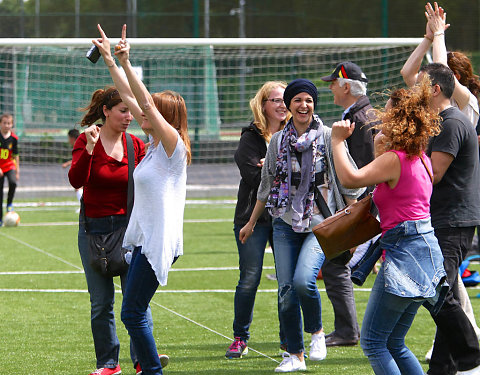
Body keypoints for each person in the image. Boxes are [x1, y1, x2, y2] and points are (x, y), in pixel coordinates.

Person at [240, 78, 364, 373]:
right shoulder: (278, 141)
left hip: (320, 223)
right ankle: (294, 355)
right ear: (289, 105)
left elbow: (348, 182)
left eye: (308, 100)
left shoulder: (327, 136)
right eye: (297, 100)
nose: (303, 105)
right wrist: (251, 221)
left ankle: (317, 331)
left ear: (314, 104)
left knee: (303, 280)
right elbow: (267, 186)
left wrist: (353, 225)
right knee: (285, 291)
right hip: (283, 223)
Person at [331, 77, 447, 375]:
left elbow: (351, 180)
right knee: (394, 341)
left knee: (373, 342)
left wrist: (336, 142)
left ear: (397, 121)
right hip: (425, 252)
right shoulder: (420, 158)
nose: (381, 119)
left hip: (404, 251)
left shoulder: (396, 159)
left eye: (388, 114)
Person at [93, 24, 191, 375]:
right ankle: (151, 370)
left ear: (166, 118)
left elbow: (145, 101)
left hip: (158, 242)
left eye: (151, 112)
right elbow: (131, 96)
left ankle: (151, 371)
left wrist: (128, 60)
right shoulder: (152, 148)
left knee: (131, 312)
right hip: (144, 240)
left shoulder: (172, 149)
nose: (139, 113)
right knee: (132, 311)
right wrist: (111, 61)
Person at [401, 1, 480, 363]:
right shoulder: (443, 113)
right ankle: (457, 354)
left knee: (446, 289)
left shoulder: (464, 111)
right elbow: (414, 73)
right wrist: (432, 37)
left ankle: (467, 353)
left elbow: (440, 71)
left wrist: (440, 36)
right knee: (448, 290)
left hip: (459, 206)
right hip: (446, 208)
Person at [417, 63, 480, 375]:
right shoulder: (443, 120)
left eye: (419, 85)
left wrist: (399, 162)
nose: (415, 91)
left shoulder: (451, 122)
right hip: (445, 217)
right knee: (443, 291)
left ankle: (472, 355)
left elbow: (435, 173)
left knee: (438, 289)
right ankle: (444, 367)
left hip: (453, 219)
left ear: (434, 89)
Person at [225, 81, 289, 358]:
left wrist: (271, 166)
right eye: (275, 99)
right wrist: (282, 169)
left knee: (287, 281)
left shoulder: (298, 133)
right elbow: (252, 176)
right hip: (252, 219)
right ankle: (240, 338)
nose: (282, 104)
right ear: (263, 105)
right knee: (249, 279)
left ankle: (289, 340)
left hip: (288, 219)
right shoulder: (250, 136)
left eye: (284, 99)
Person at [319, 61, 377, 347]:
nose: (329, 87)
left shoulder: (360, 119)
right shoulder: (361, 114)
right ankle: (349, 330)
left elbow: (366, 170)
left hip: (361, 206)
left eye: (332, 82)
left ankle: (348, 331)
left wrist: (357, 215)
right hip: (363, 205)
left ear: (344, 86)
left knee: (335, 264)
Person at [0, 113, 19, 225]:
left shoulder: (14, 138)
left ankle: (9, 204)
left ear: (12, 124)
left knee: (13, 183)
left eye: (9, 123)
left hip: (9, 166)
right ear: (0, 124)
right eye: (4, 123)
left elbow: (16, 156)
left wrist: (17, 171)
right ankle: (0, 219)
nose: (7, 125)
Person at [62, 128, 83, 210]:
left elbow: (79, 158)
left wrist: (67, 164)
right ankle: (82, 206)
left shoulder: (79, 145)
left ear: (72, 138)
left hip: (82, 168)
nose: (68, 141)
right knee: (78, 188)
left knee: (78, 188)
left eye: (68, 138)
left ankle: (83, 207)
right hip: (81, 167)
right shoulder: (80, 144)